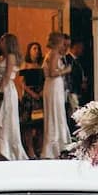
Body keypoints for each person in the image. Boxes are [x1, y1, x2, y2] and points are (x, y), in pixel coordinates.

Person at [0, 33, 28, 161]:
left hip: (6, 90)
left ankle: (8, 148)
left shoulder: (11, 57)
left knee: (6, 118)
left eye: (2, 39)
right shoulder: (0, 58)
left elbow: (7, 75)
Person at [42, 31, 72, 159]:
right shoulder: (53, 54)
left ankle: (58, 144)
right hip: (54, 85)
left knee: (56, 113)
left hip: (54, 86)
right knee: (55, 113)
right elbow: (52, 73)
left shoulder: (51, 54)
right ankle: (55, 146)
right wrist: (66, 70)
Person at [19, 41, 46, 160]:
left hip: (40, 95)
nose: (37, 51)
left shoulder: (42, 65)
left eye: (38, 49)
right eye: (34, 49)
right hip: (30, 97)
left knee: (40, 124)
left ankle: (39, 148)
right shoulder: (25, 65)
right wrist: (32, 93)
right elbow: (22, 83)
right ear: (29, 50)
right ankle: (30, 149)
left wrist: (41, 92)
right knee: (28, 125)